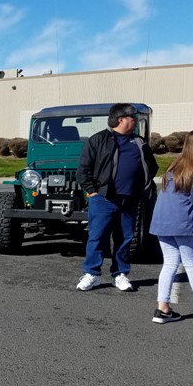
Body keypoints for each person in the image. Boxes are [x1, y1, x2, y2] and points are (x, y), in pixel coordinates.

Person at [75, 103, 158, 291]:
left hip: (130, 199)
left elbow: (151, 166)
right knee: (97, 237)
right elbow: (83, 169)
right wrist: (92, 190)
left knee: (125, 238)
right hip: (103, 199)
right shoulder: (98, 140)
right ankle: (92, 274)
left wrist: (141, 188)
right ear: (121, 120)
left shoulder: (139, 142)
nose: (135, 121)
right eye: (132, 118)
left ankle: (120, 274)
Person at [149, 130, 193, 324]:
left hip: (162, 221)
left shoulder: (175, 166)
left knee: (169, 263)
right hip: (184, 222)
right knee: (192, 263)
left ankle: (162, 309)